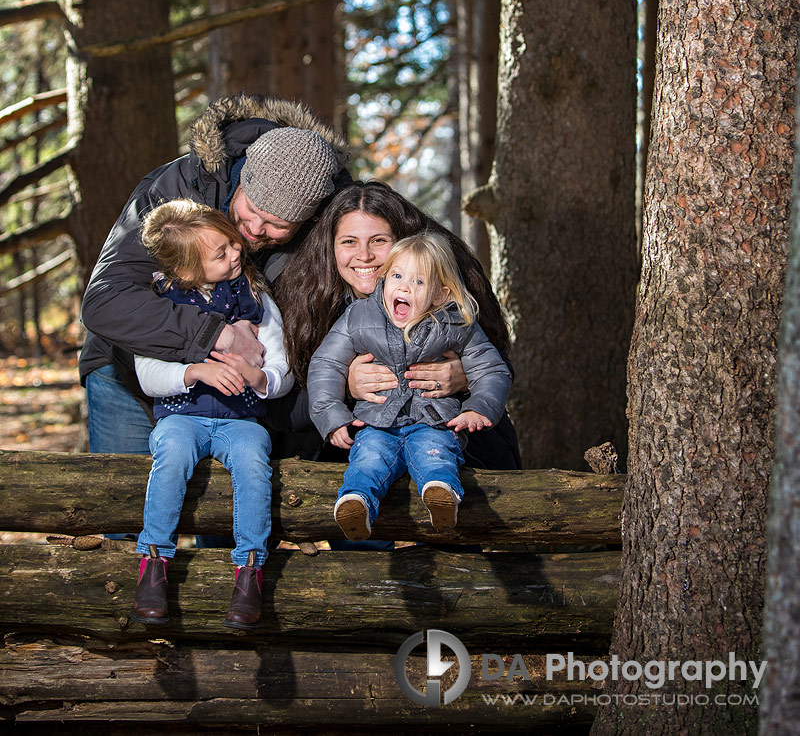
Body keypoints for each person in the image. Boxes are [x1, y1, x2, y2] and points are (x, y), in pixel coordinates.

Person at [79, 94, 348, 457]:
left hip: (245, 402)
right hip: (131, 379)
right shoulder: (176, 191)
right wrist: (214, 334)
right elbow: (106, 302)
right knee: (122, 505)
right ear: (242, 177)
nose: (253, 229)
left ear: (308, 220)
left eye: (277, 224)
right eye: (251, 208)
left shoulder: (333, 221)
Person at [271, 180, 522, 471]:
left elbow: (499, 366)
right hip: (360, 452)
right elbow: (279, 410)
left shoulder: (446, 284)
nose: (364, 256)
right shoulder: (307, 299)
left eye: (379, 241)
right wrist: (346, 387)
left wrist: (465, 377)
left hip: (460, 448)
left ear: (403, 240)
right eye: (349, 242)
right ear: (330, 247)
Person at [130, 200, 293, 631]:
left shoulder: (257, 299)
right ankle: (154, 561)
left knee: (254, 464)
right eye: (219, 254)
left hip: (242, 419)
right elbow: (147, 374)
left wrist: (258, 378)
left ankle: (249, 571)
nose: (235, 254)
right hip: (182, 416)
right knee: (173, 454)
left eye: (231, 243)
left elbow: (283, 369)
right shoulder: (164, 304)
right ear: (185, 272)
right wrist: (196, 370)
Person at [307, 233, 512, 538]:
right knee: (368, 457)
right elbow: (326, 365)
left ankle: (441, 493)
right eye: (397, 276)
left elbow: (492, 369)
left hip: (434, 420)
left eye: (418, 282)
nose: (403, 286)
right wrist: (333, 418)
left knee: (435, 451)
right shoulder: (359, 318)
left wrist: (478, 408)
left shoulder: (456, 325)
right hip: (377, 421)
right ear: (385, 279)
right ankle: (356, 501)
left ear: (440, 295)